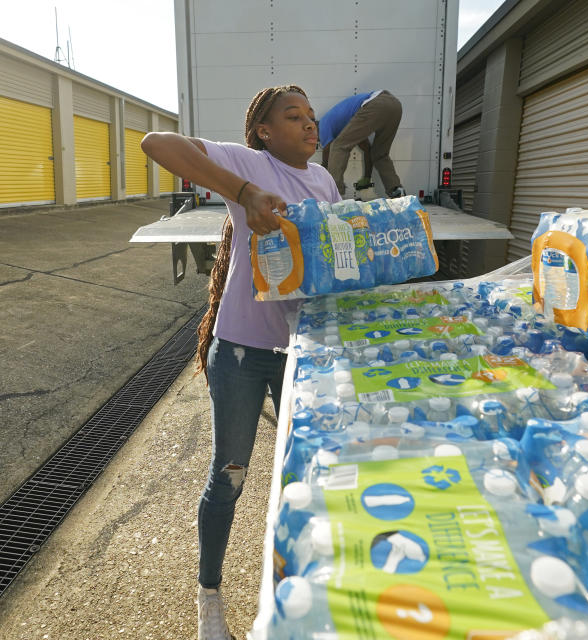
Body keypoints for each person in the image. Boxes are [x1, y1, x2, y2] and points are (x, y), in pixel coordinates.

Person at [141, 85, 340, 640]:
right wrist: (246, 191)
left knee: (303, 480)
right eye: (292, 116)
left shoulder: (324, 181)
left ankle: (295, 597)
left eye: (312, 117)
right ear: (264, 132)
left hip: (305, 353)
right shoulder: (247, 162)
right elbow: (157, 143)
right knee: (229, 477)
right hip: (242, 355)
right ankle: (209, 596)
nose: (307, 125)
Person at [318, 90, 406, 198]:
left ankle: (334, 194)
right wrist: (367, 177)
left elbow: (328, 157)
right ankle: (396, 190)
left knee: (338, 146)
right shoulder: (351, 123)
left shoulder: (322, 125)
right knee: (379, 154)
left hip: (376, 103)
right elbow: (367, 150)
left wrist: (320, 174)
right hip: (394, 105)